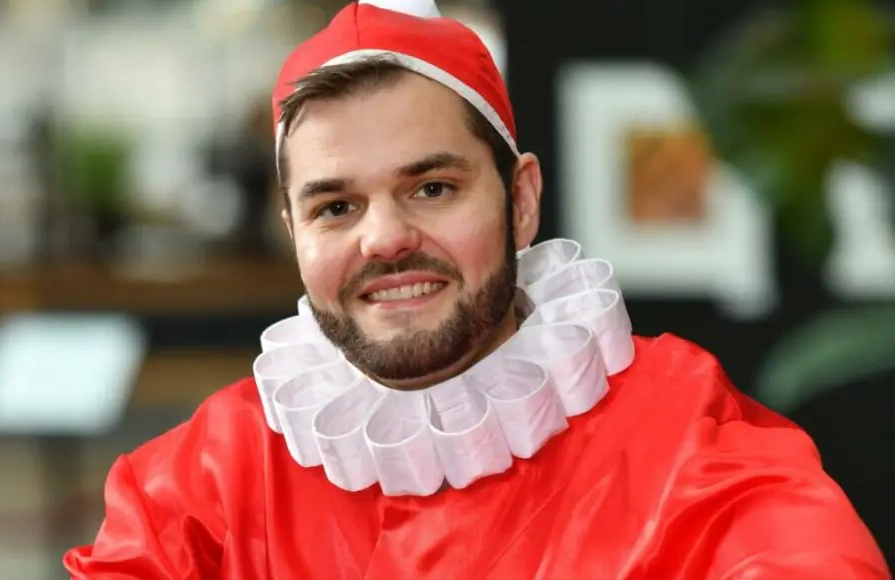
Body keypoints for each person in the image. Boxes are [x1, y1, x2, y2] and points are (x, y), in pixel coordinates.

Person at [64, 0, 891, 577]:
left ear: (520, 201)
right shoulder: (202, 481)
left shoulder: (686, 438)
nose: (384, 239)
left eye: (432, 188)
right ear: (294, 232)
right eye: (336, 206)